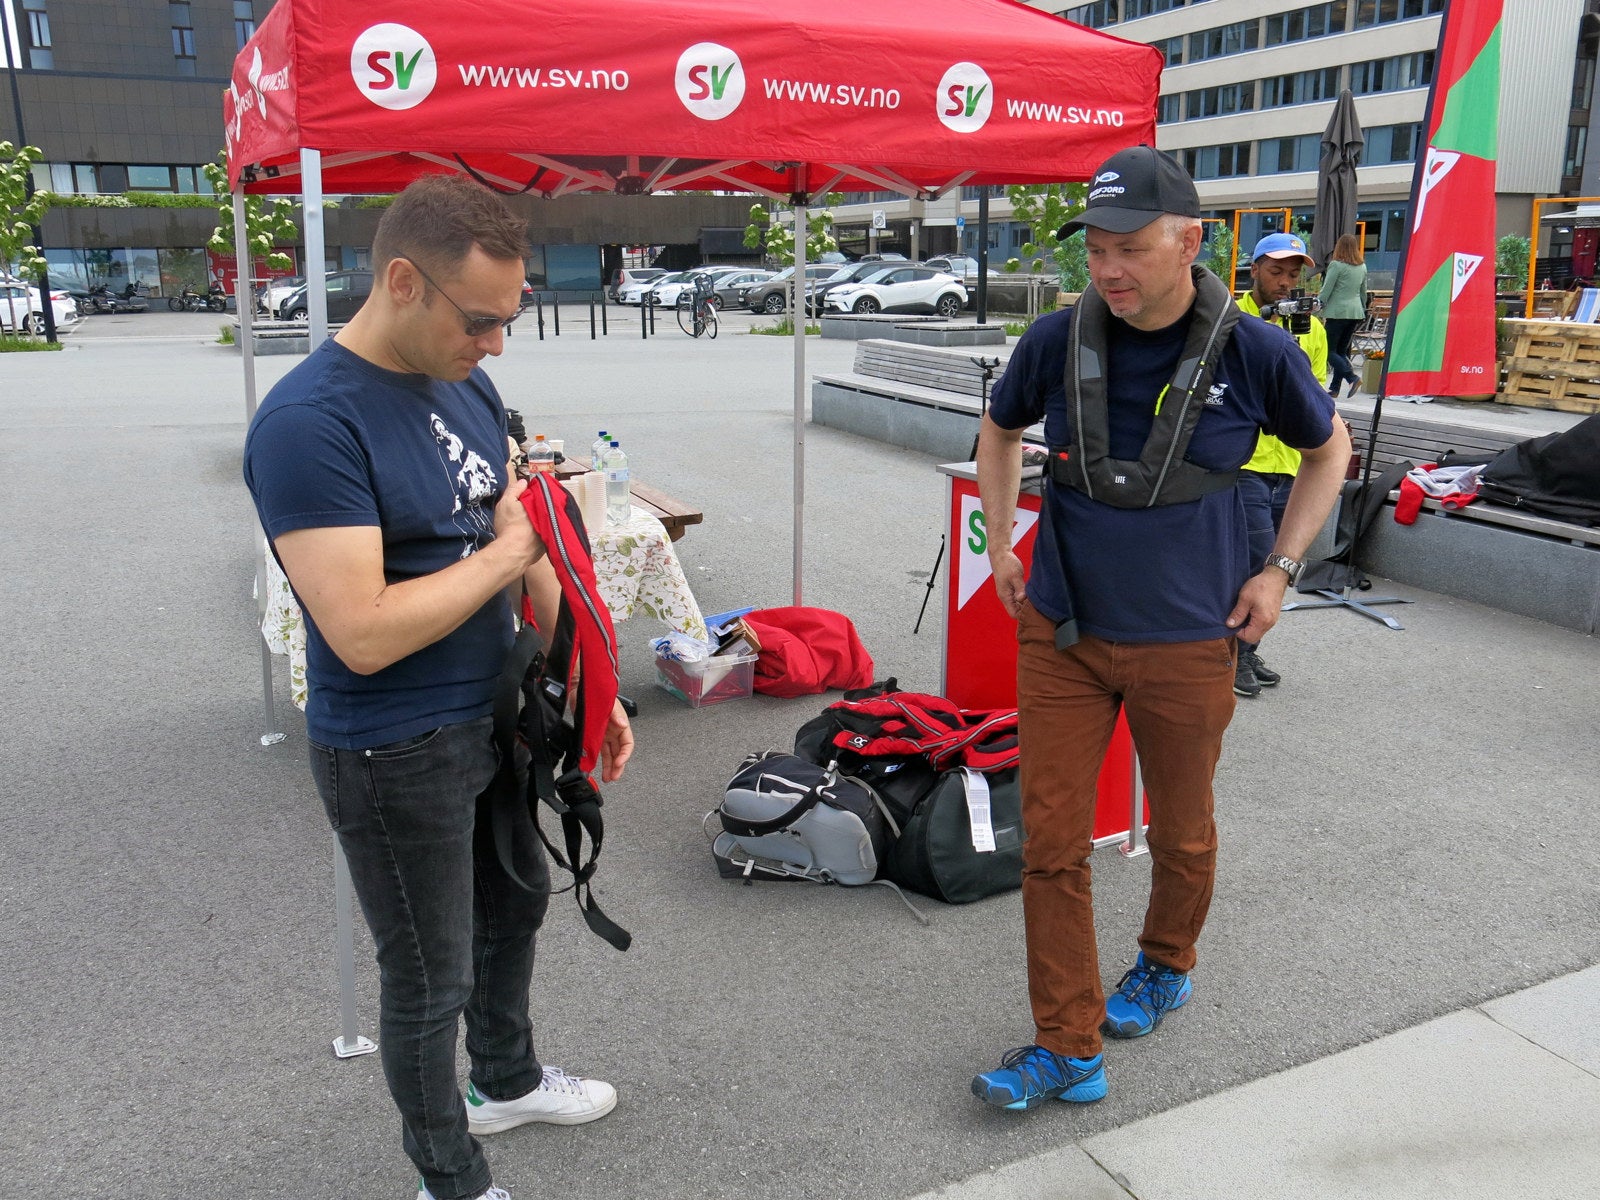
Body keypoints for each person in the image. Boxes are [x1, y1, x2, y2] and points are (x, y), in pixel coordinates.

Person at [243, 174, 634, 1200]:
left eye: (510, 320)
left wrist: (588, 686)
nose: (495, 345)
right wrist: (508, 557)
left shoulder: (463, 384)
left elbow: (517, 530)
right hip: (392, 746)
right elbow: (363, 632)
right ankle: (449, 1179)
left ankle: (503, 1080)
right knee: (427, 978)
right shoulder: (308, 423)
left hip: (493, 715)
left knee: (518, 909)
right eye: (479, 321)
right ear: (404, 282)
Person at [970, 146, 1350, 1111]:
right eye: (1096, 248)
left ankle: (1167, 961)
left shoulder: (1254, 350)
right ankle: (1067, 1045)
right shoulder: (1053, 341)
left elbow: (1329, 450)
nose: (1108, 269)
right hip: (1063, 631)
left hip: (1190, 635)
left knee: (1181, 830)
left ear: (1189, 242)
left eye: (1130, 248)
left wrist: (1280, 571)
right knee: (1051, 843)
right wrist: (1002, 543)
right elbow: (1000, 431)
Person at [1231, 232, 1330, 698]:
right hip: (1245, 463)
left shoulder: (1312, 328)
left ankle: (1245, 649)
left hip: (1291, 466)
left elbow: (1315, 396)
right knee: (1253, 561)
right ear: (1254, 270)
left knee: (1279, 564)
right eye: (1276, 271)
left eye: (1293, 274)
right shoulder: (1231, 319)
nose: (1286, 282)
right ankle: (1233, 653)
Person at [1319, 233, 1368, 399]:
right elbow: (1363, 292)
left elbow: (1327, 289)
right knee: (1340, 351)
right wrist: (1363, 309)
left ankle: (1352, 378)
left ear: (1339, 247)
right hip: (1355, 312)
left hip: (1337, 312)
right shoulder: (1362, 267)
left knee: (1328, 350)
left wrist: (1318, 305)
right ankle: (1335, 388)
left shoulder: (1336, 265)